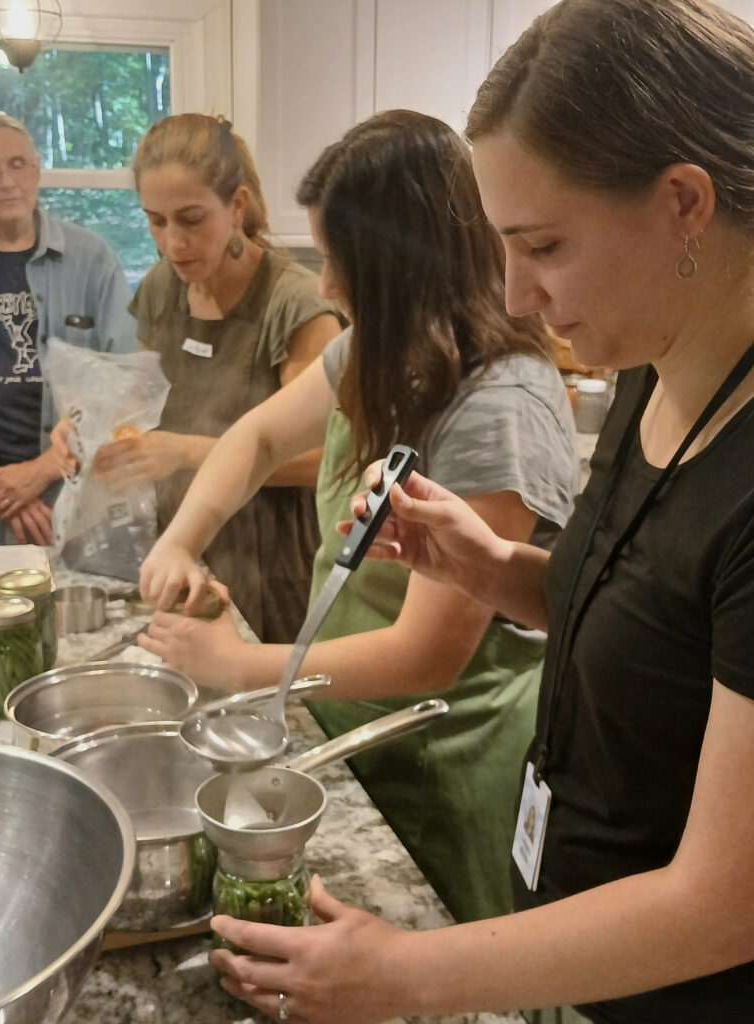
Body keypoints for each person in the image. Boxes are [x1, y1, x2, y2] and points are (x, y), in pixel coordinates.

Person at [203, 1, 754, 1022]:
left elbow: (726, 899)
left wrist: (408, 972)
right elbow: (660, 623)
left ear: (684, 203)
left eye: (542, 244)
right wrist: (490, 564)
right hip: (579, 954)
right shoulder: (656, 357)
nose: (517, 290)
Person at [138, 109, 578, 924]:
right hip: (344, 717)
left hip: (444, 753)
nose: (328, 287)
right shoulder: (377, 346)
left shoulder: (499, 405)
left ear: (406, 261)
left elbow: (427, 656)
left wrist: (238, 665)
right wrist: (179, 541)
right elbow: (260, 436)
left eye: (343, 263)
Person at [92, 113, 342, 642]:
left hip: (274, 569)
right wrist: (92, 430)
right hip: (180, 553)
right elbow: (139, 405)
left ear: (237, 206)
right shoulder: (162, 287)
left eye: (190, 219)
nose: (172, 243)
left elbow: (324, 460)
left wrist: (185, 451)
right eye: (155, 221)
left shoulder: (294, 303)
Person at [0, 109, 137, 546]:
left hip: (75, 499)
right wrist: (3, 490)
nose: (6, 181)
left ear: (35, 170)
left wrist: (44, 469)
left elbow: (122, 380)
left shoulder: (91, 259)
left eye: (17, 164)